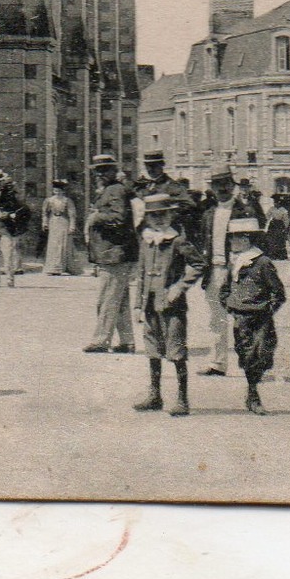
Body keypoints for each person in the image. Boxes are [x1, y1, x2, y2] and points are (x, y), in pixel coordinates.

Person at [132, 192, 203, 416]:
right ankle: (155, 395)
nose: (159, 220)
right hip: (150, 304)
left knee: (176, 350)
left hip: (172, 306)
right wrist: (137, 304)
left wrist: (179, 287)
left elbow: (199, 264)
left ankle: (182, 399)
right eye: (153, 216)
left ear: (171, 215)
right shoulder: (146, 240)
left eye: (163, 215)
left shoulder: (177, 240)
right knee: (152, 348)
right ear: (147, 219)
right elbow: (142, 273)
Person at [220, 217, 287, 415]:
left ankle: (253, 393)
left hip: (261, 318)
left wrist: (267, 310)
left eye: (235, 238)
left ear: (247, 239)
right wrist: (230, 306)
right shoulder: (234, 263)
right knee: (247, 354)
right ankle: (253, 393)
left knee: (262, 353)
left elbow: (279, 292)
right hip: (241, 318)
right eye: (231, 238)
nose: (232, 242)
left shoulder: (263, 262)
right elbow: (224, 290)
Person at [83, 154, 139, 354]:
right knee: (120, 299)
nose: (100, 174)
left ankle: (101, 340)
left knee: (107, 298)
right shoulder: (111, 189)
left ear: (114, 171)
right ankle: (127, 341)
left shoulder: (115, 189)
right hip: (114, 253)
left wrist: (97, 216)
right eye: (97, 170)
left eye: (104, 170)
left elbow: (119, 217)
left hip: (114, 253)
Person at [195, 163, 241, 377]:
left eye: (225, 184)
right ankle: (217, 363)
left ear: (232, 185)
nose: (222, 188)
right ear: (212, 188)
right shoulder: (208, 214)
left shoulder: (243, 210)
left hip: (239, 272)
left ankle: (249, 365)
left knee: (244, 318)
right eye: (217, 185)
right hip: (214, 271)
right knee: (216, 318)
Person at [0, 169, 30, 288]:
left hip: (6, 228)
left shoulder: (11, 193)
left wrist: (8, 214)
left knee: (8, 255)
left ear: (3, 180)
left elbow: (22, 208)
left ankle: (9, 280)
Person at [42, 180, 79, 276]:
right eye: (55, 191)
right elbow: (45, 213)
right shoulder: (49, 200)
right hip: (53, 221)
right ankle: (52, 267)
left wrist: (72, 225)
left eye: (59, 191)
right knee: (53, 244)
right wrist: (45, 223)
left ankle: (63, 267)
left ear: (63, 191)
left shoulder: (67, 200)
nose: (57, 192)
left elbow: (72, 214)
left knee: (63, 243)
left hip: (63, 221)